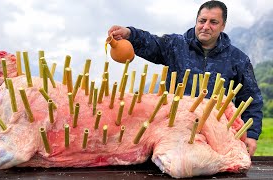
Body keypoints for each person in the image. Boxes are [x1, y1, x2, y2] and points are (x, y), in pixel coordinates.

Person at [108, 0, 263, 156]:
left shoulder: (238, 59)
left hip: (217, 135)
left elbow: (251, 98)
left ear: (223, 26)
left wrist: (251, 134)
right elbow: (151, 42)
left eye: (213, 22)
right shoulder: (175, 45)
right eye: (202, 21)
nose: (206, 26)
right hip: (175, 132)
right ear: (196, 21)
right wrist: (130, 34)